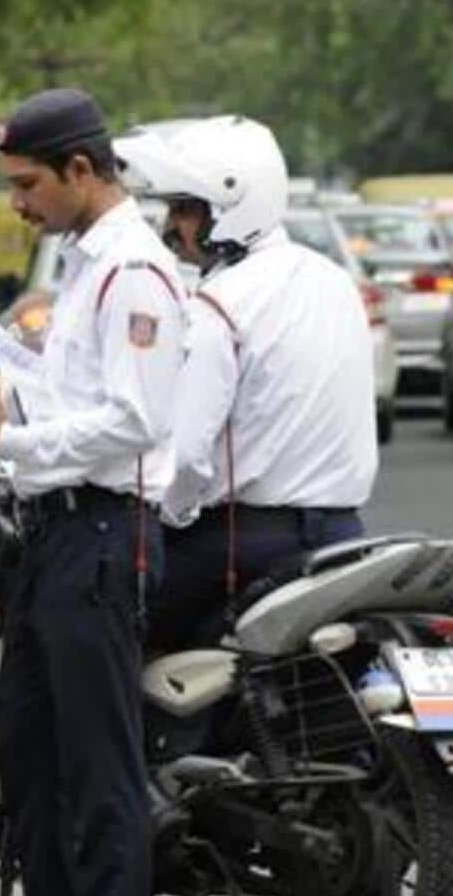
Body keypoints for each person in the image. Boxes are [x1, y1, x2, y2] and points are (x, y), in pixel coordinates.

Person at [0, 88, 185, 896]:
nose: (17, 204)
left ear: (82, 170)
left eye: (27, 183)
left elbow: (136, 421)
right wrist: (2, 387)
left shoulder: (136, 273)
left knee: (97, 763)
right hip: (51, 532)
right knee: (30, 757)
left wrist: (14, 439)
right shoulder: (84, 266)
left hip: (101, 532)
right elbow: (73, 391)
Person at [135, 116, 379, 652]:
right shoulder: (335, 282)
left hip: (240, 545)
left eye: (184, 209)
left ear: (226, 209)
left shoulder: (220, 304)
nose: (171, 226)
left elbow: (189, 454)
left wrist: (163, 516)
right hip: (344, 536)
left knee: (108, 630)